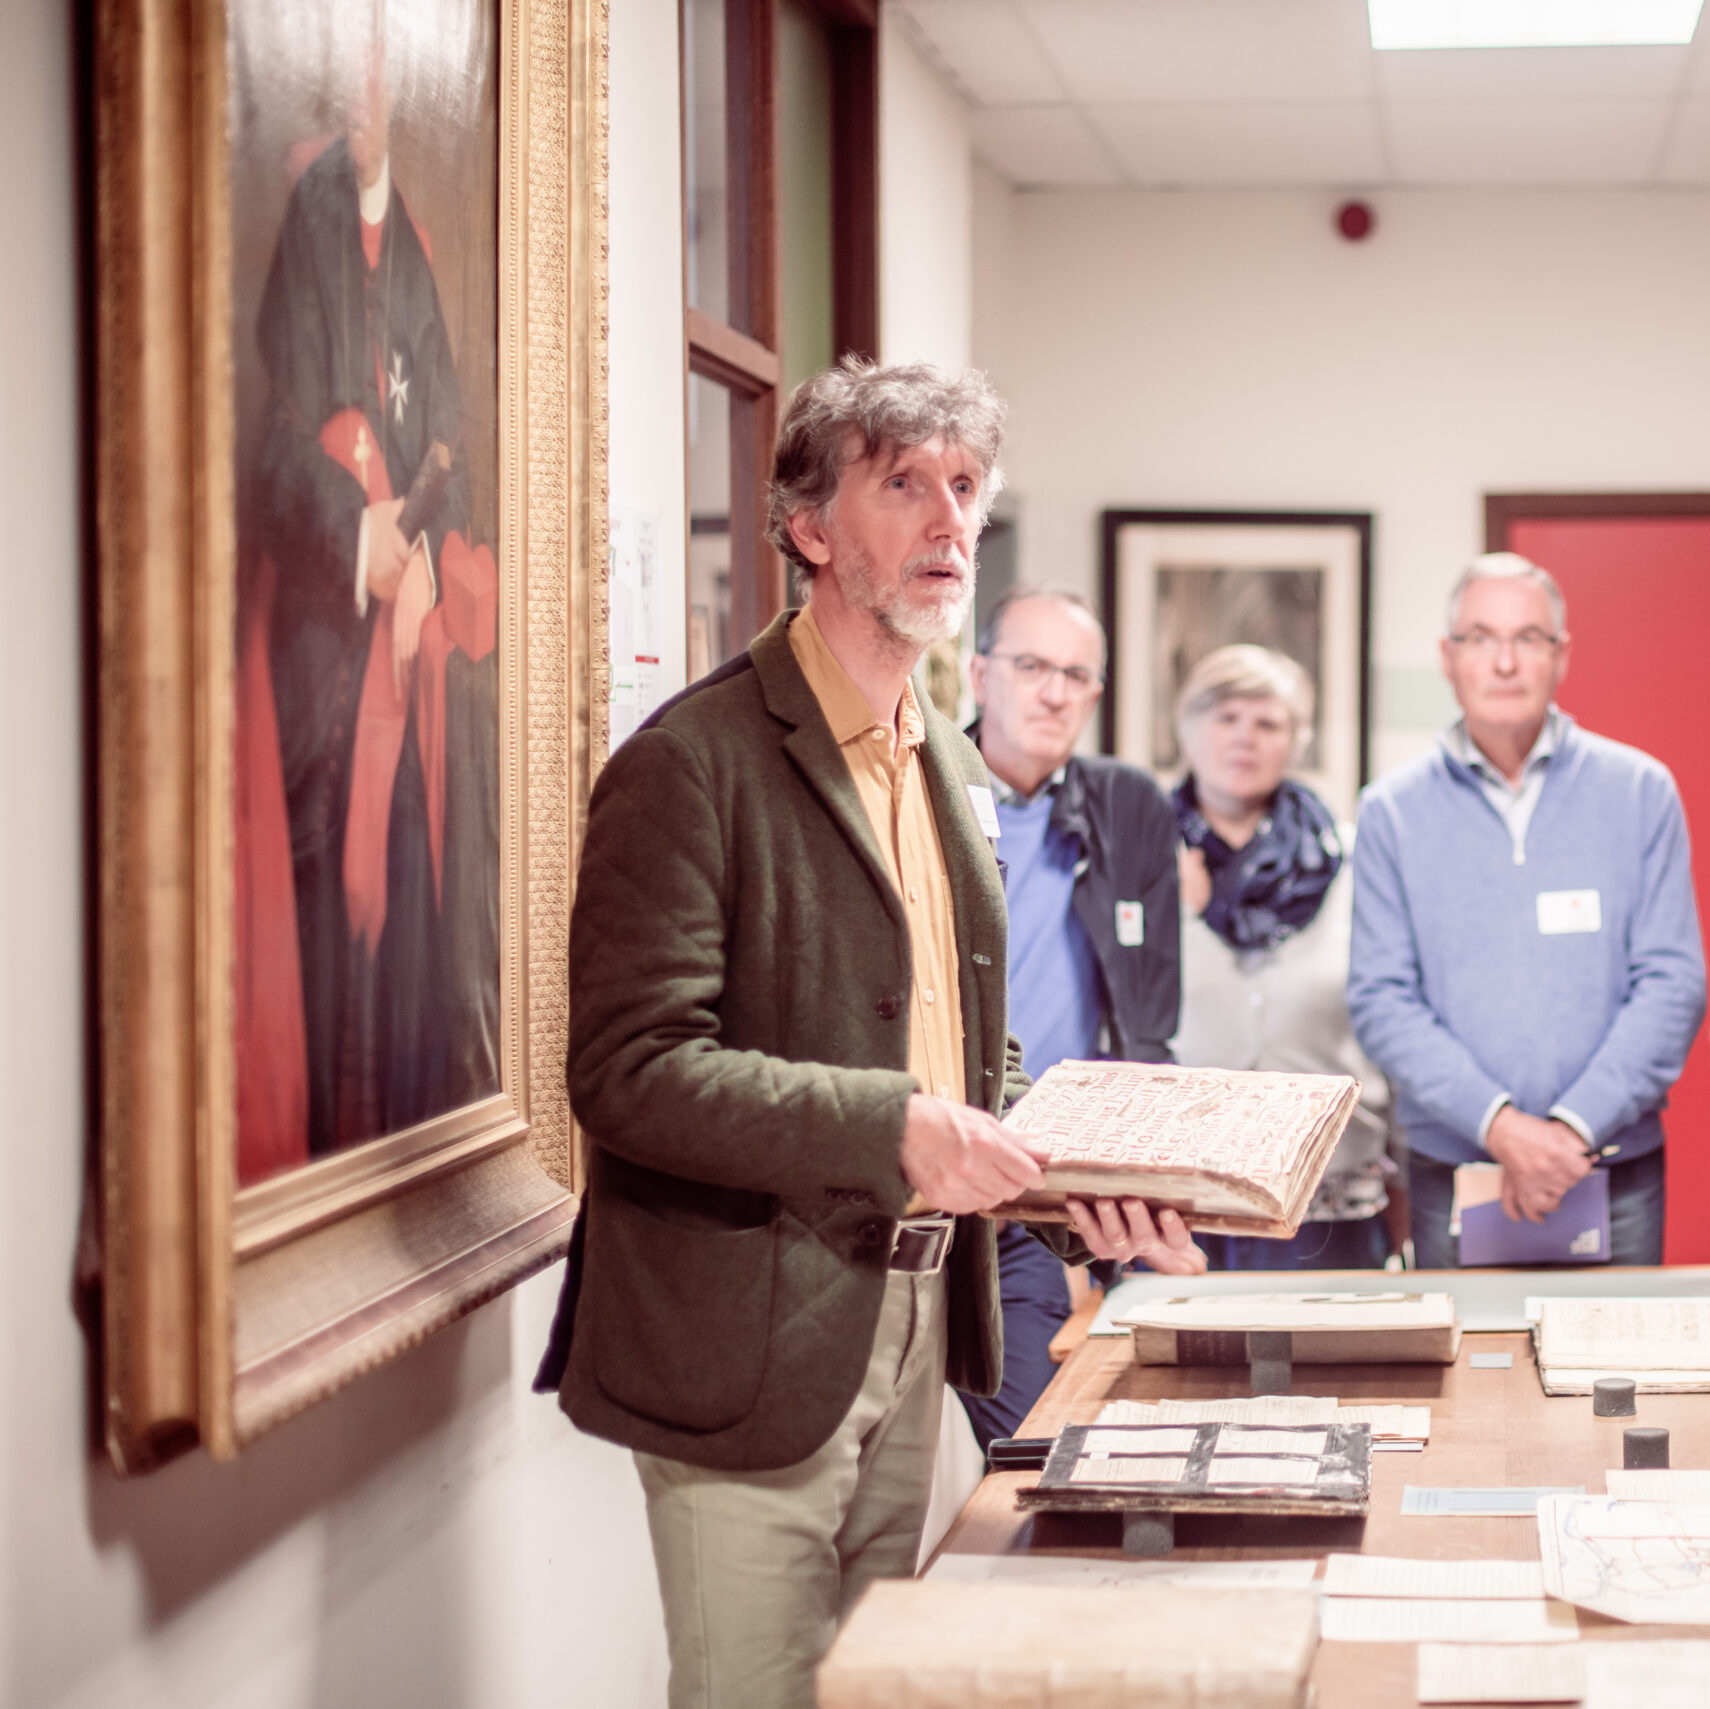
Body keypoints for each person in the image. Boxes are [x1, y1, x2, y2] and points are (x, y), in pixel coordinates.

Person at [536, 359, 1204, 1709]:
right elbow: (628, 1071)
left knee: (866, 1695)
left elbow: (975, 1062)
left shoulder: (949, 766)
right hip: (746, 1333)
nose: (949, 519)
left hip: (913, 1319)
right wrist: (891, 1128)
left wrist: (1081, 1193)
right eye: (904, 484)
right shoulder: (690, 762)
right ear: (809, 528)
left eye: (966, 486)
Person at [235, 20, 502, 1177]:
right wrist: (359, 537)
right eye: (358, 66)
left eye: (393, 67)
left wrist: (427, 550)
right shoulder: (308, 211)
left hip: (405, 648)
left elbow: (445, 429)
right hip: (323, 658)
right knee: (329, 937)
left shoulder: (419, 246)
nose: (373, 89)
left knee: (410, 917)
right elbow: (272, 433)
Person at [1349, 553, 1707, 1269]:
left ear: (1561, 656)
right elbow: (1381, 998)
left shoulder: (1639, 791)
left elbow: (1673, 982)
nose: (1505, 661)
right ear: (1449, 659)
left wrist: (1569, 1131)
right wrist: (1504, 1128)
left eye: (1529, 638)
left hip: (1611, 1167)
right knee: (1466, 1376)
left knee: (1616, 1376)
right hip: (1453, 1170)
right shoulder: (1392, 811)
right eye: (1481, 637)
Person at [961, 585, 1183, 1447]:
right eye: (1031, 666)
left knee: (1038, 1440)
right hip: (934, 1162)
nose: (1054, 690)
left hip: (1056, 1182)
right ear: (980, 675)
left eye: (1077, 674)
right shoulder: (918, 786)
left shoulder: (1127, 807)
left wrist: (1147, 1176)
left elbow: (1148, 1011)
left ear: (1096, 694)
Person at [1167, 645, 1394, 1269]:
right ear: (1187, 730)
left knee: (1345, 1368)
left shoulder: (1349, 859)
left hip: (1331, 1200)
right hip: (1180, 1203)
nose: (1245, 738)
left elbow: (1391, 1007)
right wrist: (1180, 908)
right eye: (1225, 717)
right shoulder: (1140, 862)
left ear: (1295, 741)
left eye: (1268, 723)